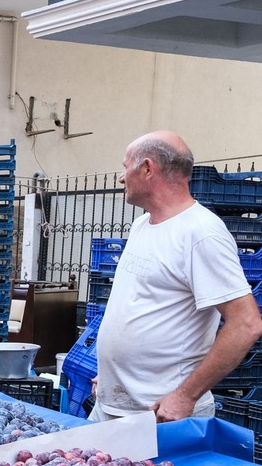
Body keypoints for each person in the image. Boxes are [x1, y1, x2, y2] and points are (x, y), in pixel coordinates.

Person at [93, 131, 262, 422]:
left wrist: (185, 396)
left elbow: (246, 324)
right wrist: (110, 377)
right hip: (112, 407)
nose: (121, 177)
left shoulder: (201, 234)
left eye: (125, 166)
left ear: (147, 169)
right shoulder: (142, 225)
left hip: (162, 417)